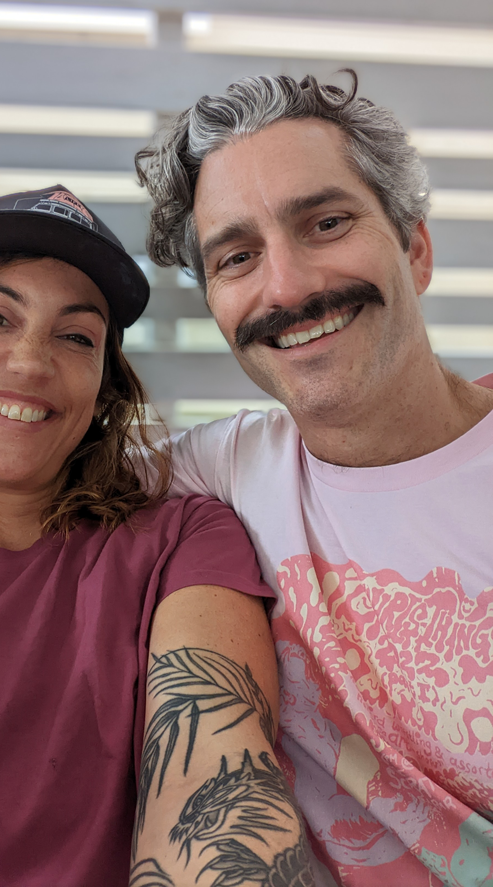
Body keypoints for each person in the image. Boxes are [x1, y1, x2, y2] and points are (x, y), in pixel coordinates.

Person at [0, 186, 315, 885]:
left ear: (104, 389)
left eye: (77, 336)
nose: (29, 361)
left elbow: (216, 784)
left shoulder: (181, 541)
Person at [136, 73, 493, 887]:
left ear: (415, 247)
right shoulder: (224, 467)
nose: (288, 287)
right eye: (238, 257)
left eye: (326, 223)